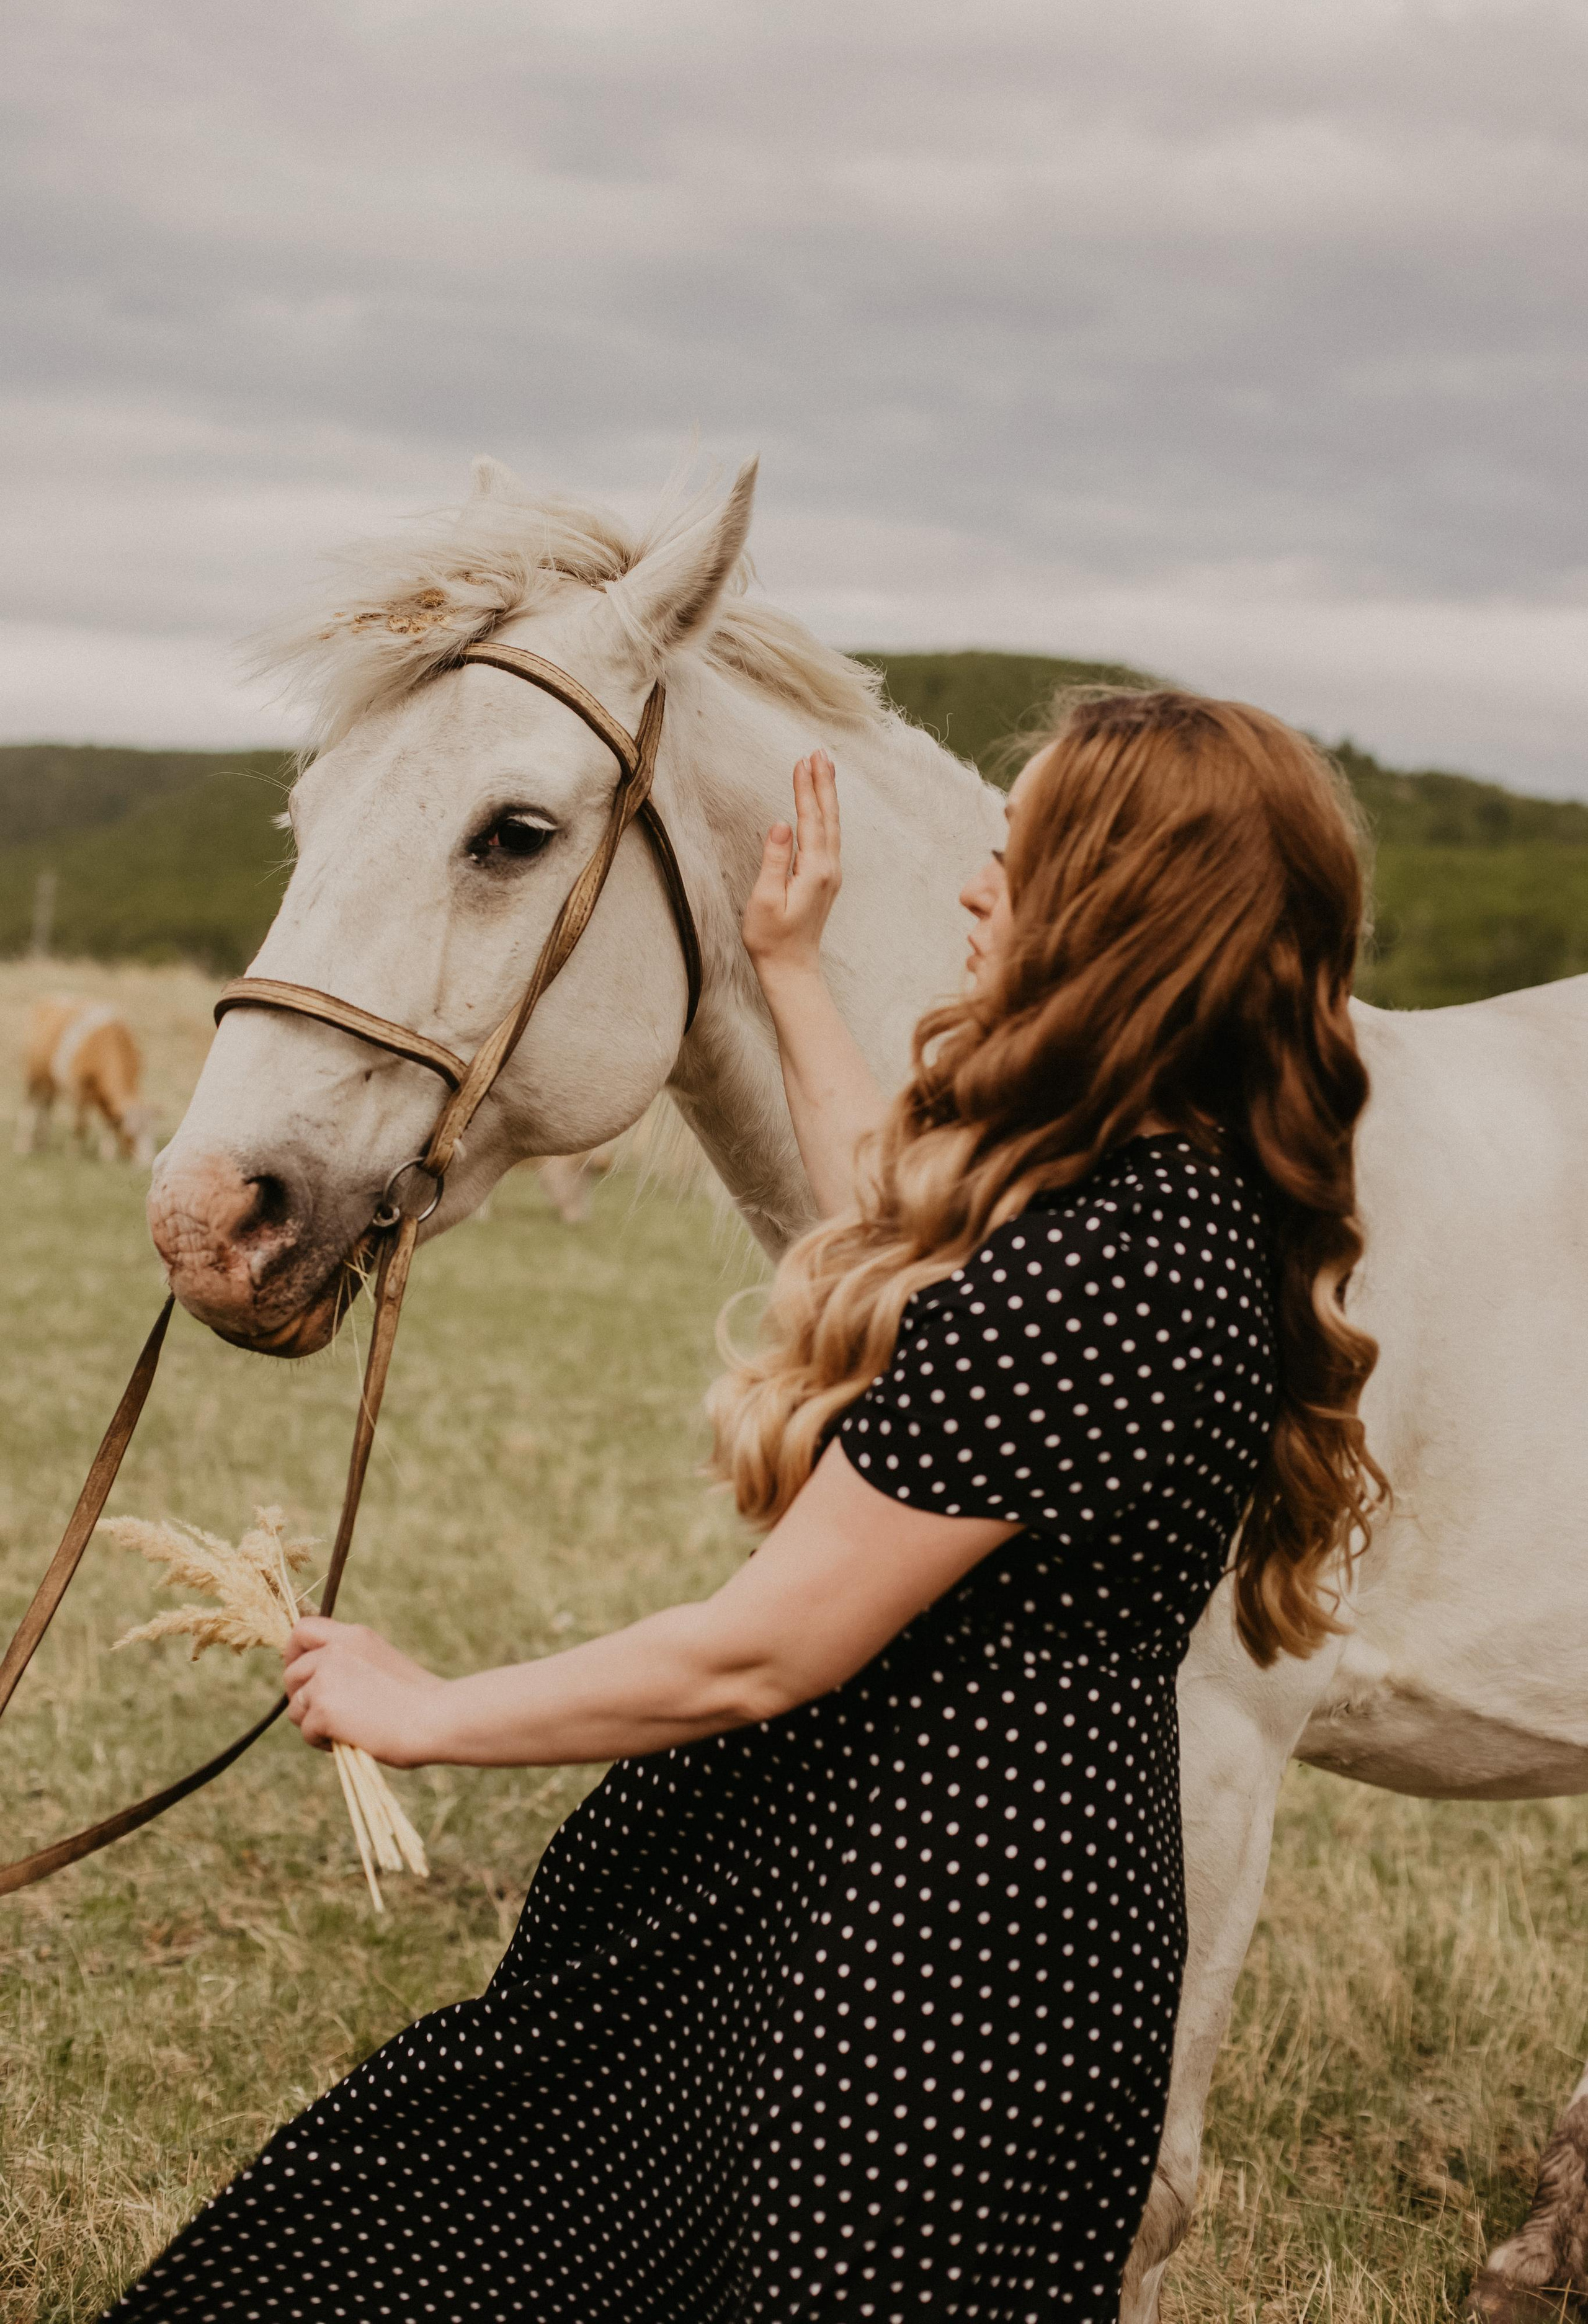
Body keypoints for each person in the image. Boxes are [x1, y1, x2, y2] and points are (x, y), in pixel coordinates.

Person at [109, 687, 1384, 2324]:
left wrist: (429, 1709)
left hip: (921, 1976)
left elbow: (761, 1654)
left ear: (1124, 909)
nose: (979, 888)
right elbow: (908, 1248)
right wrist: (788, 968)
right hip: (881, 1913)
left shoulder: (1119, 1262)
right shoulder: (1145, 1204)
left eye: (1019, 854)